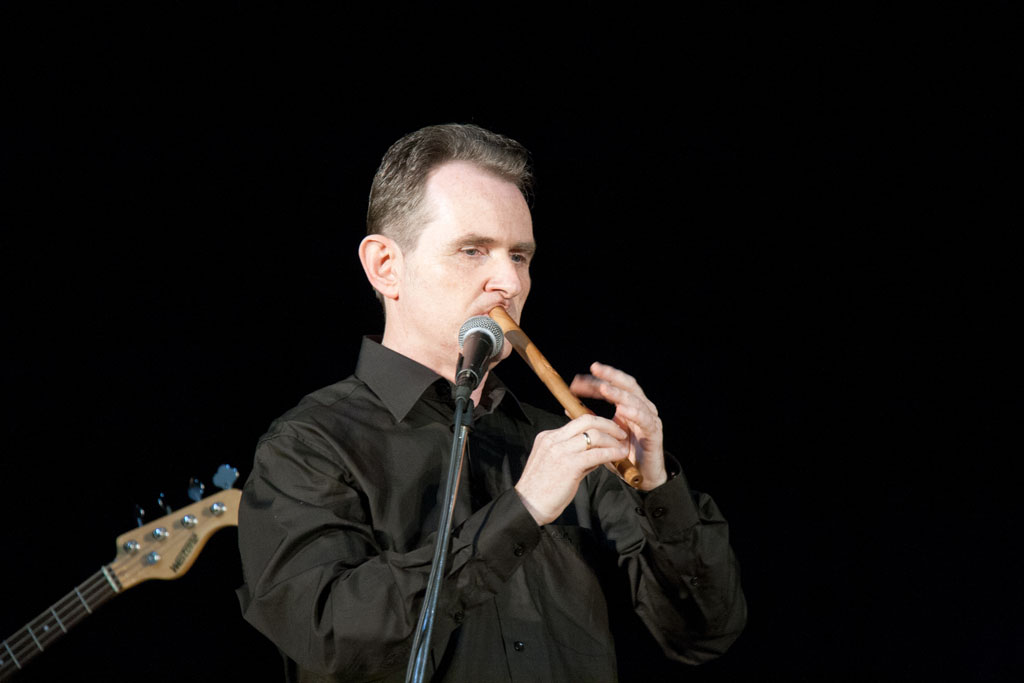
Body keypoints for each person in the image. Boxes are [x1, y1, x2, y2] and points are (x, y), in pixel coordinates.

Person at [236, 123, 746, 682]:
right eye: (473, 250)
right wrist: (521, 511)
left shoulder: (561, 447)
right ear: (386, 266)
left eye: (520, 256)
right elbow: (330, 637)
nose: (509, 281)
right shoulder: (308, 445)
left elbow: (704, 633)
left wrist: (657, 490)